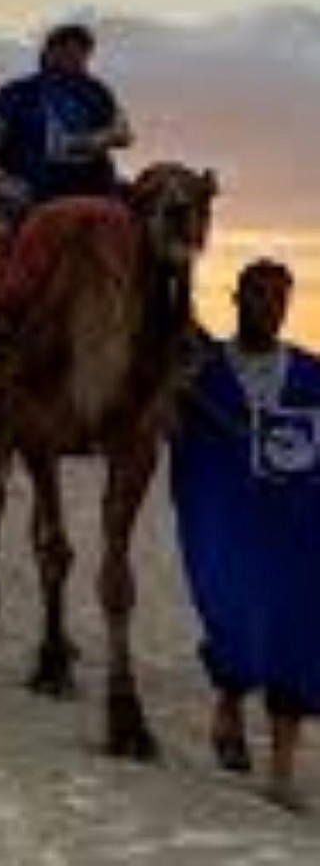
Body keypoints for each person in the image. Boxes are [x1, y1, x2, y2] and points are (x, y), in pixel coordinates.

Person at [172, 259, 320, 811]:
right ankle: (228, 704)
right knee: (233, 624)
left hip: (296, 534)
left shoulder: (310, 373)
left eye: (281, 298)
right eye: (259, 297)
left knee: (296, 639)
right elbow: (169, 433)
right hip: (225, 531)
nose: (271, 308)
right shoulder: (203, 374)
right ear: (236, 300)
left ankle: (281, 772)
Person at [0, 22, 133, 232]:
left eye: (83, 52)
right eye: (68, 50)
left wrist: (99, 139)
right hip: (31, 190)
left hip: (95, 187)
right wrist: (0, 178)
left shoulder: (97, 92)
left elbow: (124, 132)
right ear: (50, 52)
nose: (77, 58)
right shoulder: (18, 94)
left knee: (150, 211)